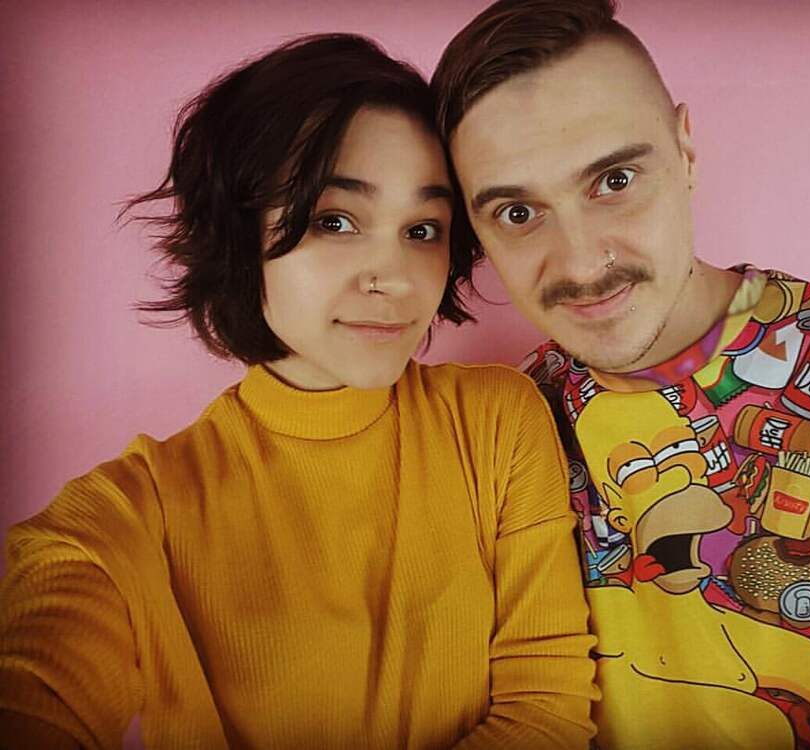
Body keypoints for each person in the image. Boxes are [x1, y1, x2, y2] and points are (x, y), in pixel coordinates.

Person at [0, 34, 598, 749]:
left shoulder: (497, 420)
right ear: (236, 232)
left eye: (422, 229)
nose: (396, 277)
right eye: (334, 220)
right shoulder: (132, 513)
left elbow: (547, 712)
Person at [432, 1, 810, 747]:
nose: (581, 261)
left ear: (686, 151)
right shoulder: (509, 425)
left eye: (614, 179)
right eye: (516, 213)